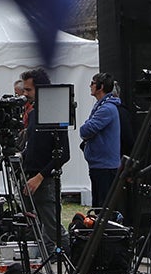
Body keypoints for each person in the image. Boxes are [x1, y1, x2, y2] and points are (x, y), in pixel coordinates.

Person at [15, 69, 69, 249]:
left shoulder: (54, 112)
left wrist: (40, 176)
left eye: (28, 90)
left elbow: (64, 153)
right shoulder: (32, 114)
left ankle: (75, 265)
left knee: (53, 229)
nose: (25, 94)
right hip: (29, 177)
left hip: (44, 181)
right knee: (34, 229)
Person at [78, 73, 123, 210]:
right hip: (99, 164)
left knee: (103, 207)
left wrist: (85, 128)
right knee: (98, 206)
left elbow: (85, 130)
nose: (90, 86)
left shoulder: (107, 109)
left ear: (101, 87)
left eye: (92, 83)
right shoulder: (102, 106)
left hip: (105, 166)